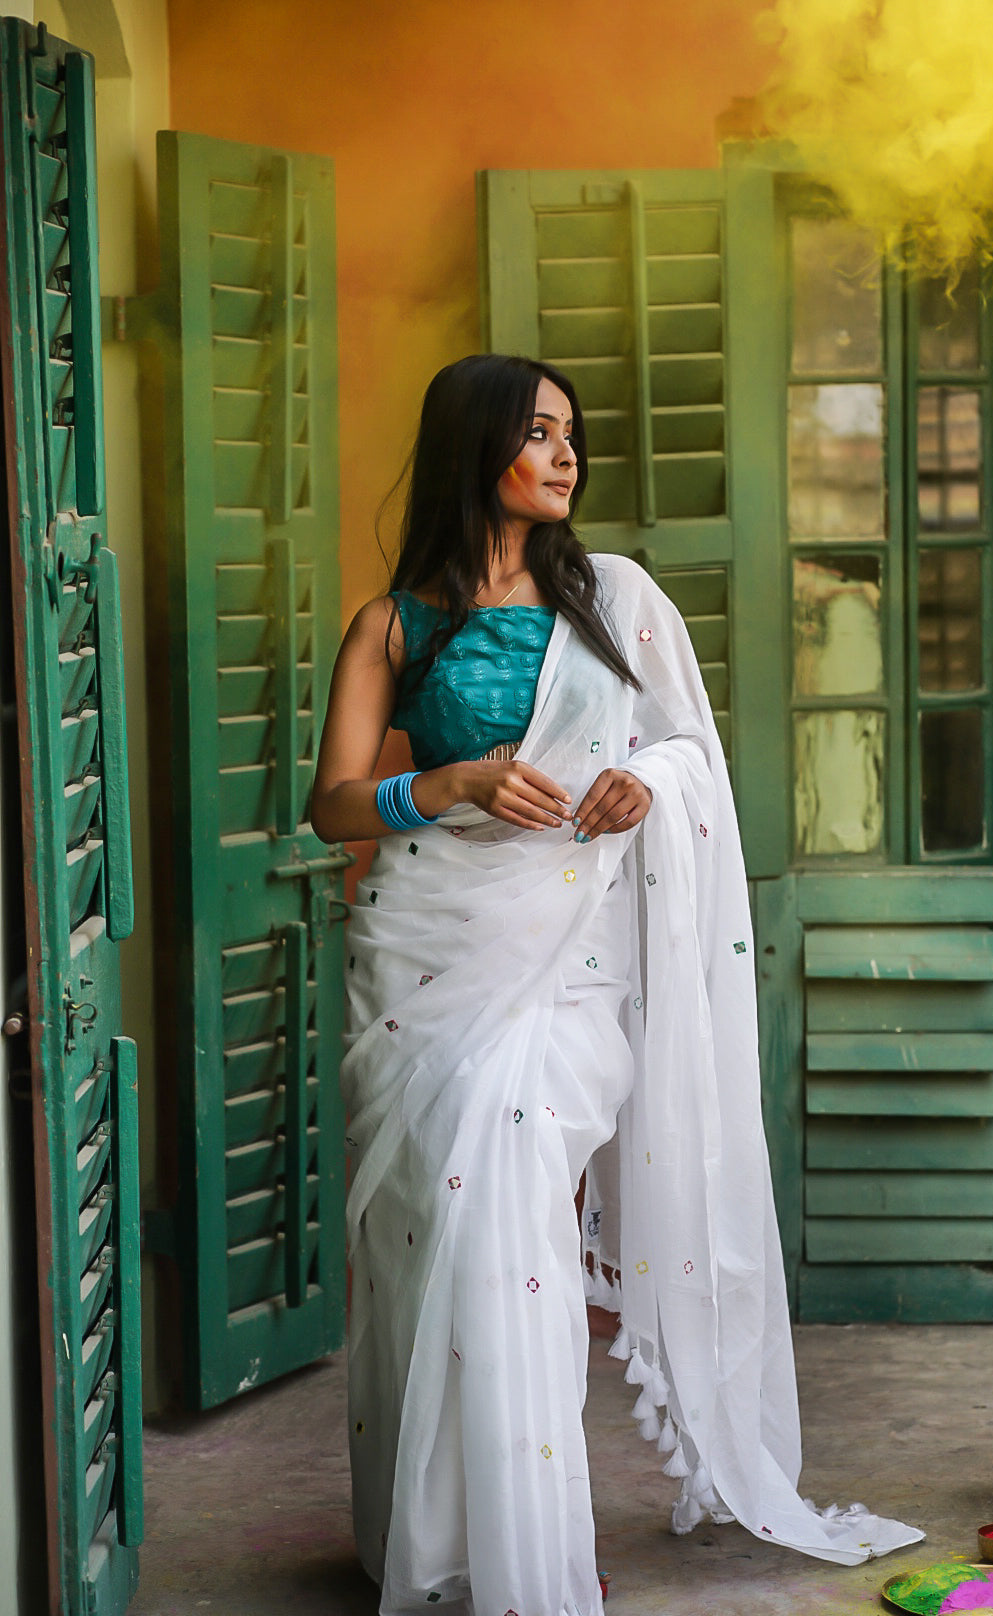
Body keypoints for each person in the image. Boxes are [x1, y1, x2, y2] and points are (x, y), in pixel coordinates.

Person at [312, 354, 921, 1616]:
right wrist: (453, 782)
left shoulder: (615, 598)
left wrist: (652, 780)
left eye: (571, 434)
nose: (566, 454)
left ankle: (539, 1559)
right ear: (476, 445)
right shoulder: (392, 623)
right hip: (429, 953)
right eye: (539, 432)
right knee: (439, 1244)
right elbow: (329, 803)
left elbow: (685, 744)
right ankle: (443, 1542)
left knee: (507, 1193)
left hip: (578, 963)